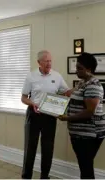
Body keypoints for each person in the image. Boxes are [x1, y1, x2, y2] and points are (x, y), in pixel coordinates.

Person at [21, 50, 69, 179]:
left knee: (48, 148)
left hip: (50, 116)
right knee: (30, 147)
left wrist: (78, 88)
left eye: (50, 60)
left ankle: (44, 176)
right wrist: (32, 104)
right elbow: (24, 98)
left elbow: (66, 92)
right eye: (46, 61)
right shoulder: (31, 76)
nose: (49, 63)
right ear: (39, 62)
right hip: (34, 114)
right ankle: (26, 176)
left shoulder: (57, 76)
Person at [58, 52, 105, 179]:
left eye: (79, 68)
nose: (76, 71)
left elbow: (90, 111)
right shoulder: (82, 83)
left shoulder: (93, 85)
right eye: (76, 67)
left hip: (89, 134)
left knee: (86, 168)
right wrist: (54, 98)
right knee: (85, 166)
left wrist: (67, 118)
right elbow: (68, 94)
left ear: (89, 70)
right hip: (80, 134)